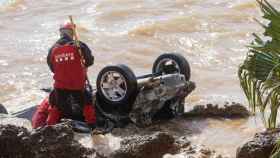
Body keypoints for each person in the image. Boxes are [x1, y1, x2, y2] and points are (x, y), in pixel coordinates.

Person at [41, 22, 96, 128]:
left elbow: (52, 68)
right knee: (87, 100)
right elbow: (89, 61)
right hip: (77, 85)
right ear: (72, 33)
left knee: (56, 104)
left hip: (60, 86)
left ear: (61, 34)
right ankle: (92, 126)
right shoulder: (79, 46)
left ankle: (49, 126)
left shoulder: (53, 49)